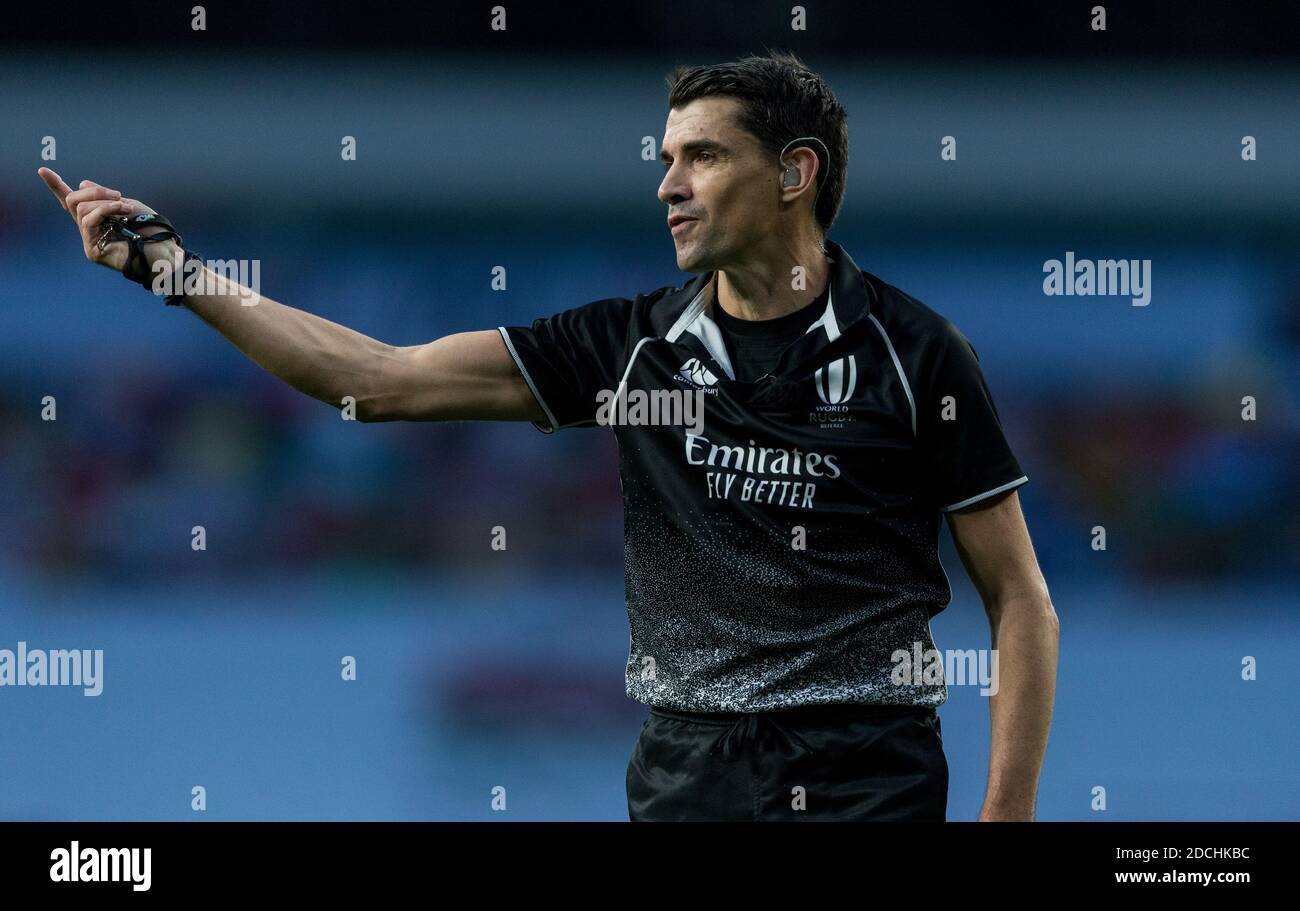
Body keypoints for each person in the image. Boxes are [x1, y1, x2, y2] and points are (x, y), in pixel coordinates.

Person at [38, 50, 1058, 822]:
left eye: (702, 156)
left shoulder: (913, 352)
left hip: (864, 773)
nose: (668, 183)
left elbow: (1019, 600)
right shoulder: (628, 347)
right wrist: (174, 273)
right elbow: (376, 380)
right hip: (684, 773)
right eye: (666, 158)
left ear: (795, 172)